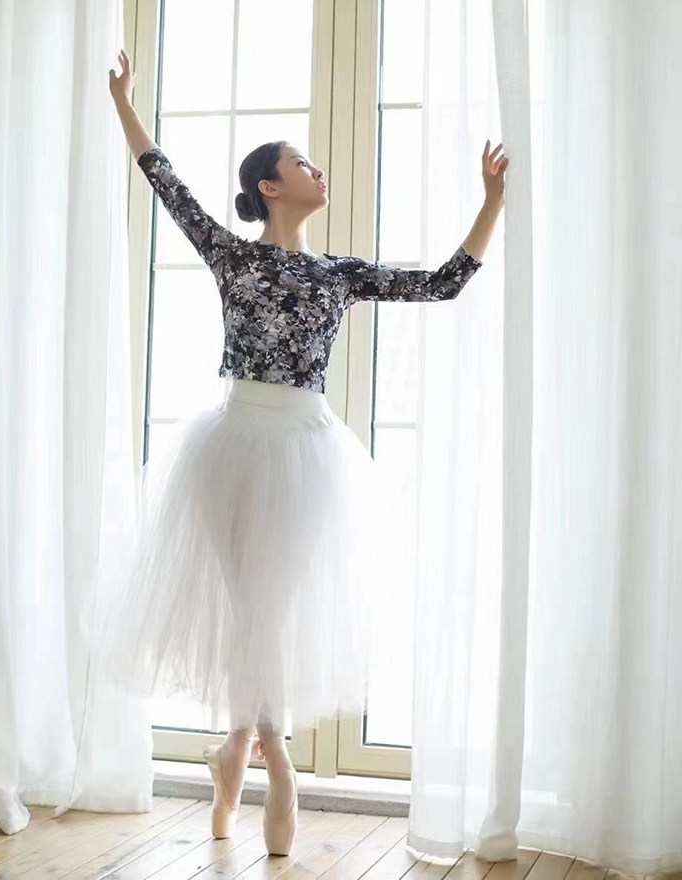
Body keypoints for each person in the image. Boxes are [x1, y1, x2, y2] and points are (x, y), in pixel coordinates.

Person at [100, 49, 506, 857]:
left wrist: (490, 202)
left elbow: (441, 284)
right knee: (251, 604)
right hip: (232, 445)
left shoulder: (338, 273)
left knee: (270, 608)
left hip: (308, 450)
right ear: (270, 188)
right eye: (302, 163)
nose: (319, 170)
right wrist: (123, 103)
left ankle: (240, 747)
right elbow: (163, 178)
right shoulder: (234, 254)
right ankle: (273, 757)